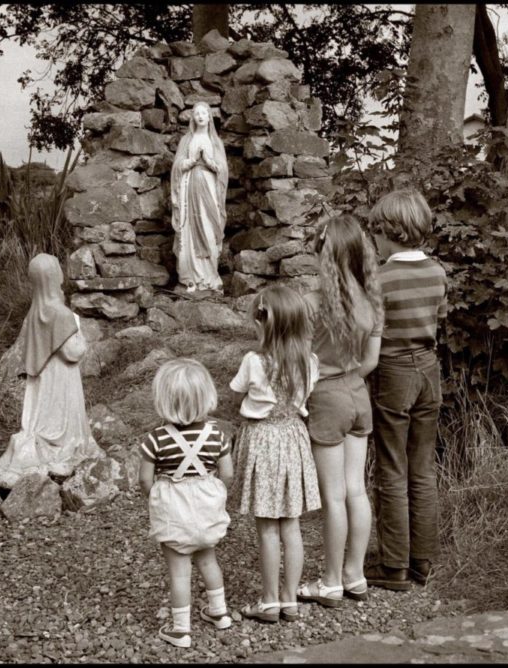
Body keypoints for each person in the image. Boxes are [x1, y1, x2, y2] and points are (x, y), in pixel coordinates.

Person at [297, 213, 384, 607]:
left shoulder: (311, 305)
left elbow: (298, 363)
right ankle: (355, 574)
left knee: (333, 496)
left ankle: (330, 581)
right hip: (357, 394)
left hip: (326, 398)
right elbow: (370, 361)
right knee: (356, 490)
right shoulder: (371, 302)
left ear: (324, 253)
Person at [364, 188, 448, 590]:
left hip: (393, 371)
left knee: (392, 468)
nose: (374, 241)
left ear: (388, 232)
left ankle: (393, 565)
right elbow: (440, 319)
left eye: (376, 233)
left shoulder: (380, 278)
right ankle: (423, 561)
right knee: (423, 468)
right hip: (429, 370)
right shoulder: (437, 272)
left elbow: (370, 331)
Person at [230, 285, 321, 624]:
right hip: (294, 438)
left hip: (263, 440)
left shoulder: (253, 361)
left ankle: (269, 600)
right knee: (292, 526)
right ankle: (290, 598)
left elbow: (236, 391)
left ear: (261, 323)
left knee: (267, 528)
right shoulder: (310, 362)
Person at [0, 253, 105, 488]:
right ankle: (62, 446)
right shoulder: (60, 314)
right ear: (52, 277)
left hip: (41, 381)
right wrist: (79, 333)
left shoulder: (33, 314)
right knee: (60, 419)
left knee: (42, 415)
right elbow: (73, 352)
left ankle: (39, 444)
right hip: (62, 380)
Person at [139, 358, 233, 649]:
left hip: (174, 509)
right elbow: (228, 473)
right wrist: (213, 494)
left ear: (163, 400)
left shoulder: (155, 439)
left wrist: (158, 497)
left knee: (179, 570)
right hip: (206, 505)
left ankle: (180, 629)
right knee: (208, 559)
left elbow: (144, 480)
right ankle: (219, 612)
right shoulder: (217, 435)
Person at [170, 100, 228, 293]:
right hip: (189, 187)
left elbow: (222, 170)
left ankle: (210, 275)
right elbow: (177, 165)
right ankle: (191, 277)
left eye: (204, 113)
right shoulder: (187, 140)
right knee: (189, 228)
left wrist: (209, 162)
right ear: (193, 118)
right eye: (197, 114)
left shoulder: (215, 141)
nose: (201, 116)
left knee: (209, 226)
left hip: (209, 188)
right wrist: (193, 160)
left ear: (209, 117)